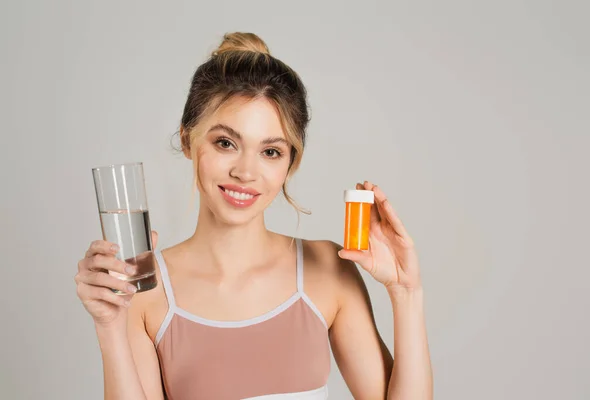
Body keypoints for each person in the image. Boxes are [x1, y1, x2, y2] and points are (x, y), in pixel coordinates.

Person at [75, 32, 433, 400]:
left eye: (271, 152)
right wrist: (109, 327)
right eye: (225, 143)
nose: (246, 172)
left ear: (290, 162)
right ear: (187, 140)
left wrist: (406, 292)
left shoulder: (328, 270)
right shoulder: (146, 292)